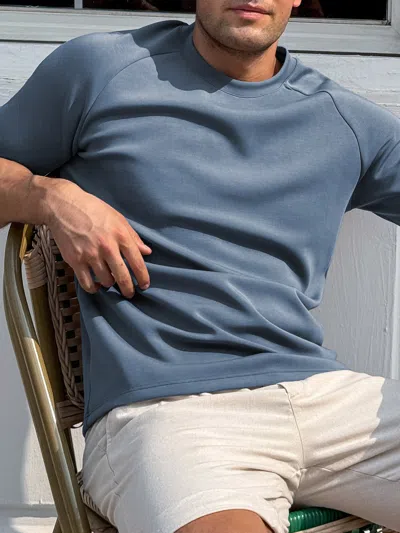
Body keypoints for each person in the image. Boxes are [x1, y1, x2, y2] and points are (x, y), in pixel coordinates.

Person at [1, 1, 400, 532]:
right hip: (170, 414)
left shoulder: (343, 120)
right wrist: (49, 197)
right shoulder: (100, 70)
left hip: (325, 398)